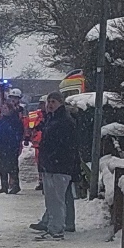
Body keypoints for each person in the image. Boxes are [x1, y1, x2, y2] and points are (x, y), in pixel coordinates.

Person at [34, 94, 81, 238]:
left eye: (53, 102)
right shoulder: (52, 119)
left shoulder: (64, 121)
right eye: (48, 101)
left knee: (57, 199)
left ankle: (57, 229)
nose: (49, 104)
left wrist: (53, 157)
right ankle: (52, 226)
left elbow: (65, 145)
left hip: (60, 165)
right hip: (51, 165)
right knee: (51, 198)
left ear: (60, 103)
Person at [0, 91, 26, 196]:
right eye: (3, 109)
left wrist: (16, 143)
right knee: (2, 167)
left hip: (11, 147)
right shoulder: (1, 120)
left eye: (6, 109)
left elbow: (19, 132)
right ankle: (4, 186)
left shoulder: (14, 120)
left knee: (12, 167)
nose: (3, 110)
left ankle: (15, 185)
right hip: (1, 147)